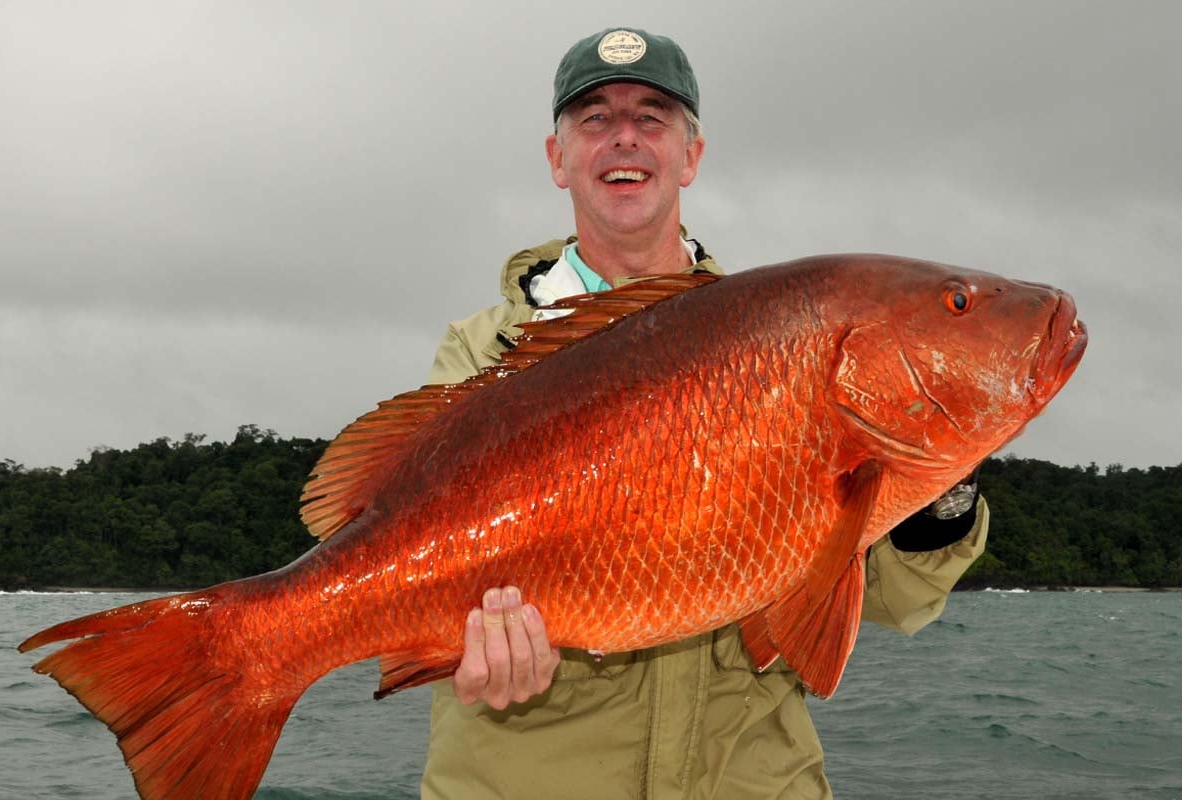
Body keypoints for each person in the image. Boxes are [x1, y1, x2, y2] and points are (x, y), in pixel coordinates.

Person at [416, 27, 990, 799]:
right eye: (595, 117)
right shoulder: (481, 353)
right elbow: (401, 548)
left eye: (654, 116)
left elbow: (889, 598)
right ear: (558, 158)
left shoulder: (779, 343)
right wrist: (465, 653)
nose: (626, 136)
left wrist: (946, 482)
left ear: (691, 155)